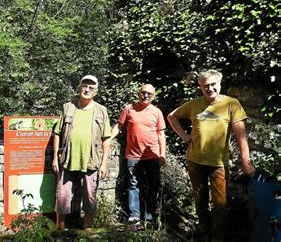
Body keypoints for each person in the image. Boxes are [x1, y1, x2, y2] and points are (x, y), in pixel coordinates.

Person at [167, 69, 255, 241]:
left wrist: (246, 161)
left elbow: (241, 135)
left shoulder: (232, 104)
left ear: (219, 83)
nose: (210, 88)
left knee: (220, 206)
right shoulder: (194, 104)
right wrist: (185, 137)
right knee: (200, 203)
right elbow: (172, 117)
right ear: (200, 86)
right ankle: (206, 234)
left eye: (213, 84)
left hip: (219, 164)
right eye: (205, 85)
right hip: (194, 161)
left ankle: (217, 239)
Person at [52, 75, 111, 230]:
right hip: (67, 158)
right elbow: (57, 133)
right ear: (79, 88)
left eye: (91, 88)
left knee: (90, 195)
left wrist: (104, 164)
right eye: (84, 86)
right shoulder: (68, 107)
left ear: (95, 92)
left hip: (91, 160)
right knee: (62, 195)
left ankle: (88, 229)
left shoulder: (101, 111)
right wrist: (54, 158)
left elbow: (106, 139)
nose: (87, 89)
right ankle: (59, 227)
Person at [109, 84, 166, 224]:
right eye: (143, 92)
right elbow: (119, 126)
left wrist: (162, 154)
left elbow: (161, 134)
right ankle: (135, 215)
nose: (145, 96)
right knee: (133, 185)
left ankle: (150, 215)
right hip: (133, 155)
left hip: (152, 155)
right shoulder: (129, 108)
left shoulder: (156, 112)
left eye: (149, 94)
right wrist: (108, 139)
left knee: (153, 185)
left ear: (153, 96)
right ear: (138, 93)